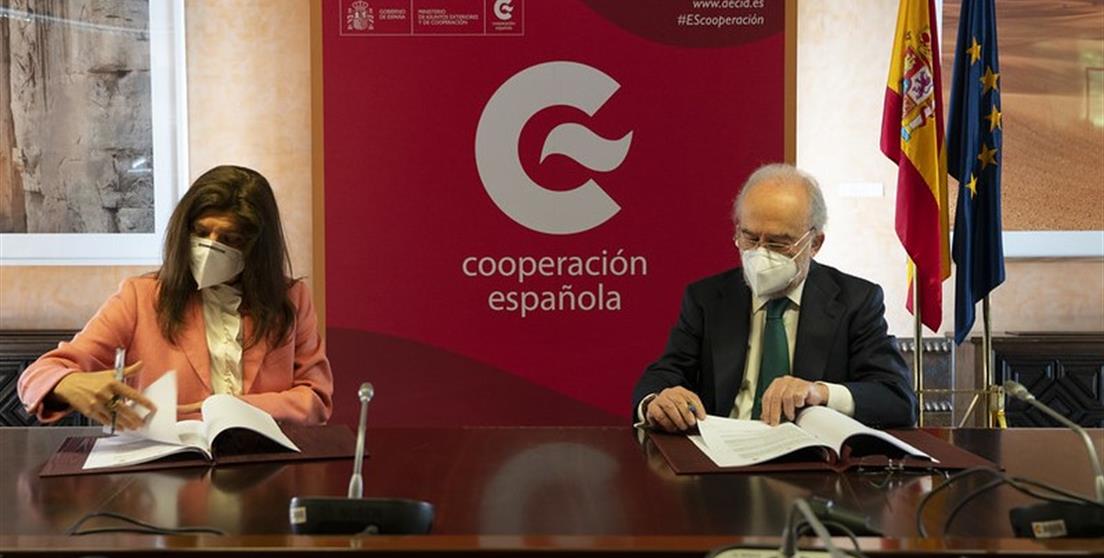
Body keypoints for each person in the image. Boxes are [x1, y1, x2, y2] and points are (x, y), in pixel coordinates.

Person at [18, 165, 333, 427]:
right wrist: (69, 384)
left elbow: (316, 399)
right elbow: (38, 376)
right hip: (165, 466)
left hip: (262, 464)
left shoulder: (292, 299)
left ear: (258, 248)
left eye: (231, 239)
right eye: (201, 232)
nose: (211, 247)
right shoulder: (140, 298)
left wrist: (232, 409)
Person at [632, 163, 916, 432]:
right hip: (722, 451)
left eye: (778, 243)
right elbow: (663, 374)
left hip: (810, 457)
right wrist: (655, 402)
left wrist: (820, 392)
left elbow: (898, 399)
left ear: (815, 243)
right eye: (750, 238)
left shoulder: (856, 301)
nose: (760, 253)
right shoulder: (708, 298)